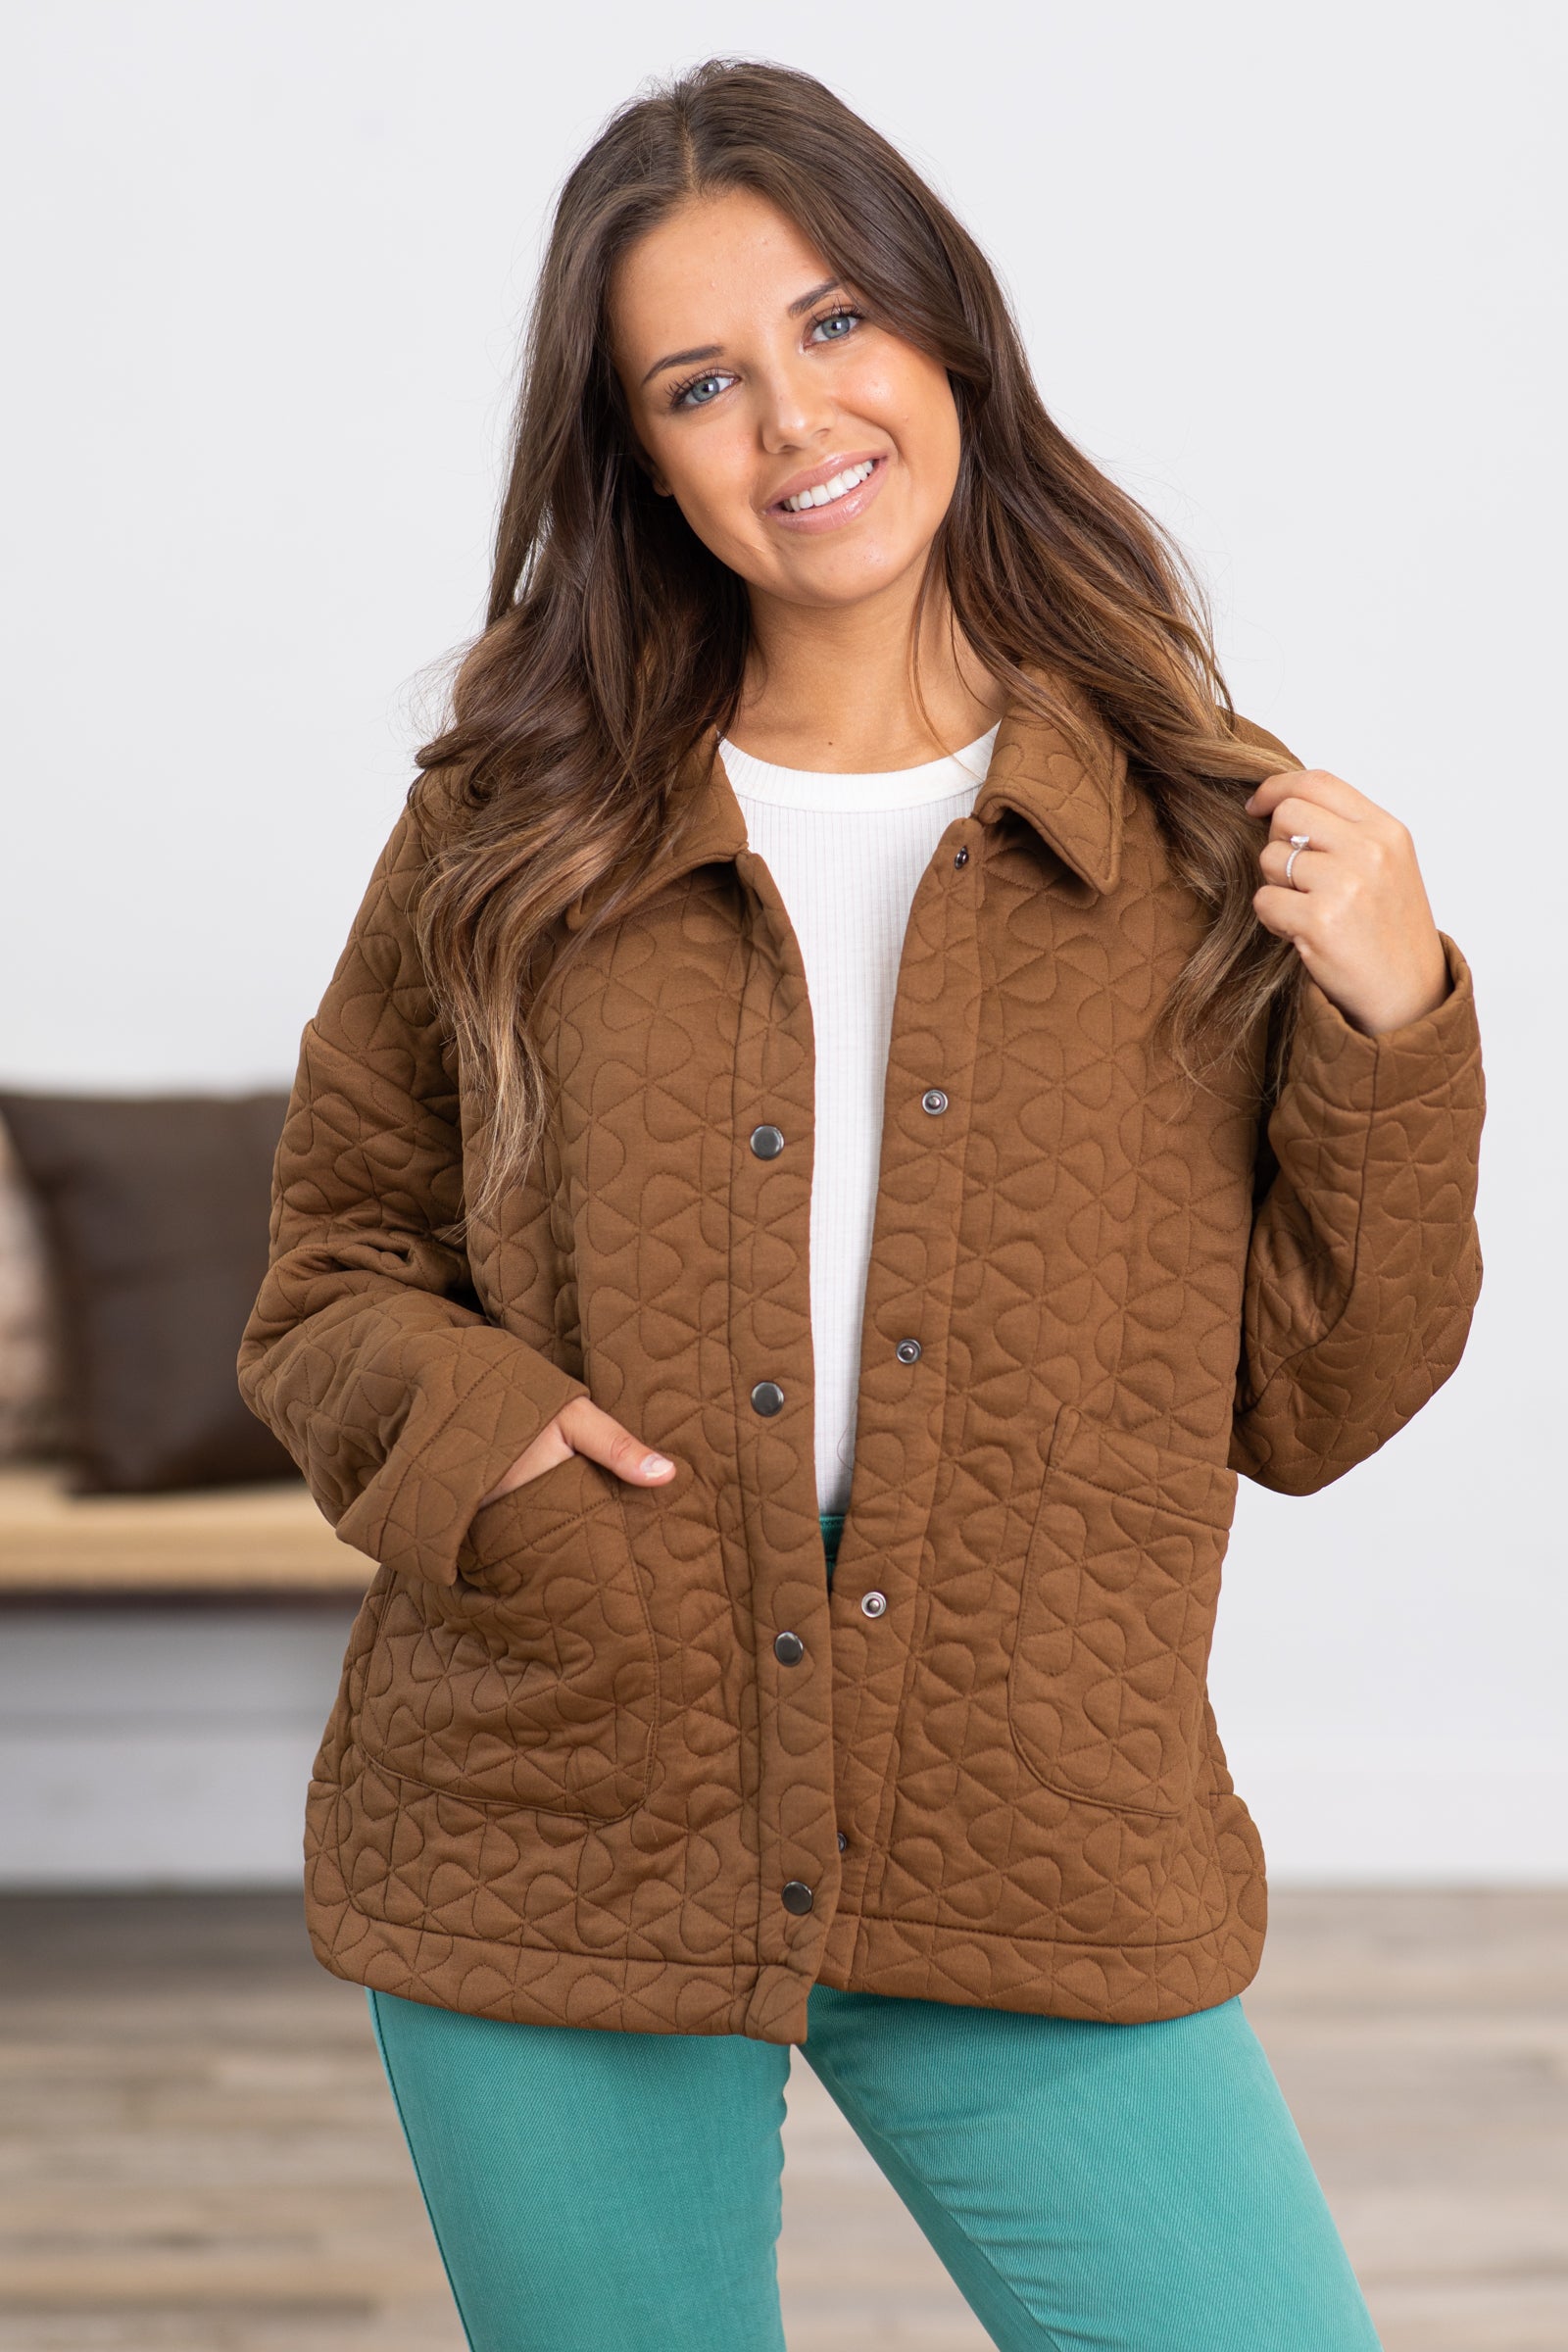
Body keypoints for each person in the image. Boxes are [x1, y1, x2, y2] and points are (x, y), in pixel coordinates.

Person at [238, 57, 1484, 2352]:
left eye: (831, 325)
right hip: (573, 1786)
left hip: (1026, 1804)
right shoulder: (511, 820)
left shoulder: (1201, 839)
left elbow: (1318, 1401)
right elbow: (331, 1264)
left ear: (942, 334)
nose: (790, 417)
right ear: (639, 457)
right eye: (697, 381)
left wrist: (1393, 1017)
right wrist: (497, 1452)